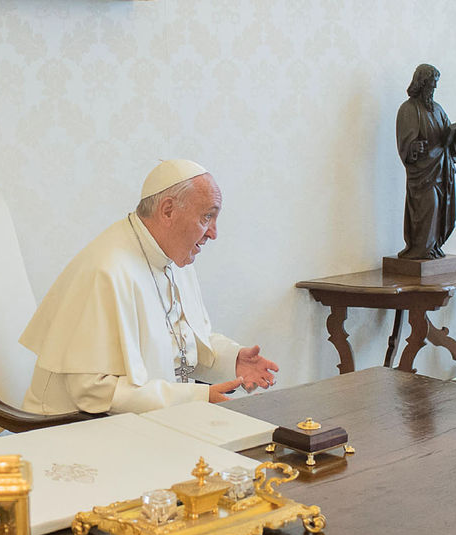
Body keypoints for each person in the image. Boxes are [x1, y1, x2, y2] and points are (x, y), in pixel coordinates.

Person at [19, 160, 278, 415]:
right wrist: (195, 397)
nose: (213, 233)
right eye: (207, 217)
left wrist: (231, 360)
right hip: (74, 430)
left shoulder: (175, 261)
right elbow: (92, 392)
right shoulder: (107, 270)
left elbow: (181, 346)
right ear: (167, 210)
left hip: (140, 423)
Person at [396, 63, 456, 260]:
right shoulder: (408, 109)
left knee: (443, 209)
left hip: (442, 169)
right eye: (431, 84)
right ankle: (421, 250)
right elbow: (405, 143)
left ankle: (433, 247)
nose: (434, 89)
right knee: (429, 206)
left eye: (436, 85)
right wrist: (413, 148)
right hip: (423, 174)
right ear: (422, 83)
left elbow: (446, 138)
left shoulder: (438, 109)